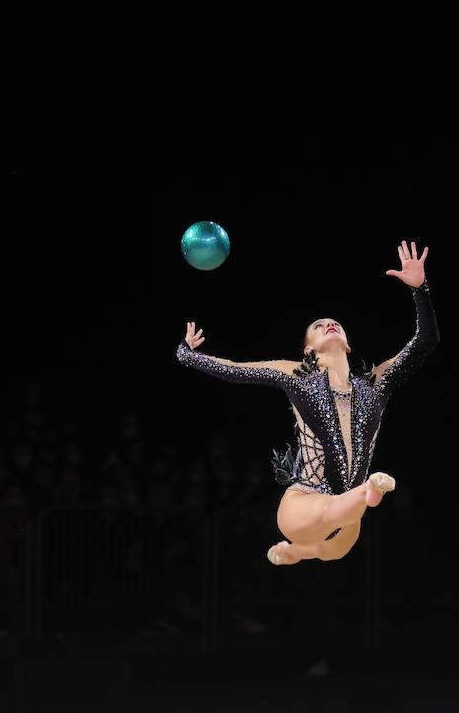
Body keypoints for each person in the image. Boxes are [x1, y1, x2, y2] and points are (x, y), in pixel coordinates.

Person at [177, 240, 438, 565]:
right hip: (305, 502)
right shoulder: (297, 375)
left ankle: (296, 552)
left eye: (335, 324)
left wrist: (419, 289)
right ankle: (368, 491)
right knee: (331, 513)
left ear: (348, 345)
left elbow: (426, 340)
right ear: (309, 350)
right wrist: (188, 356)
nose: (329, 324)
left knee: (330, 552)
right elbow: (235, 371)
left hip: (346, 513)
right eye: (318, 326)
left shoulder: (376, 383)